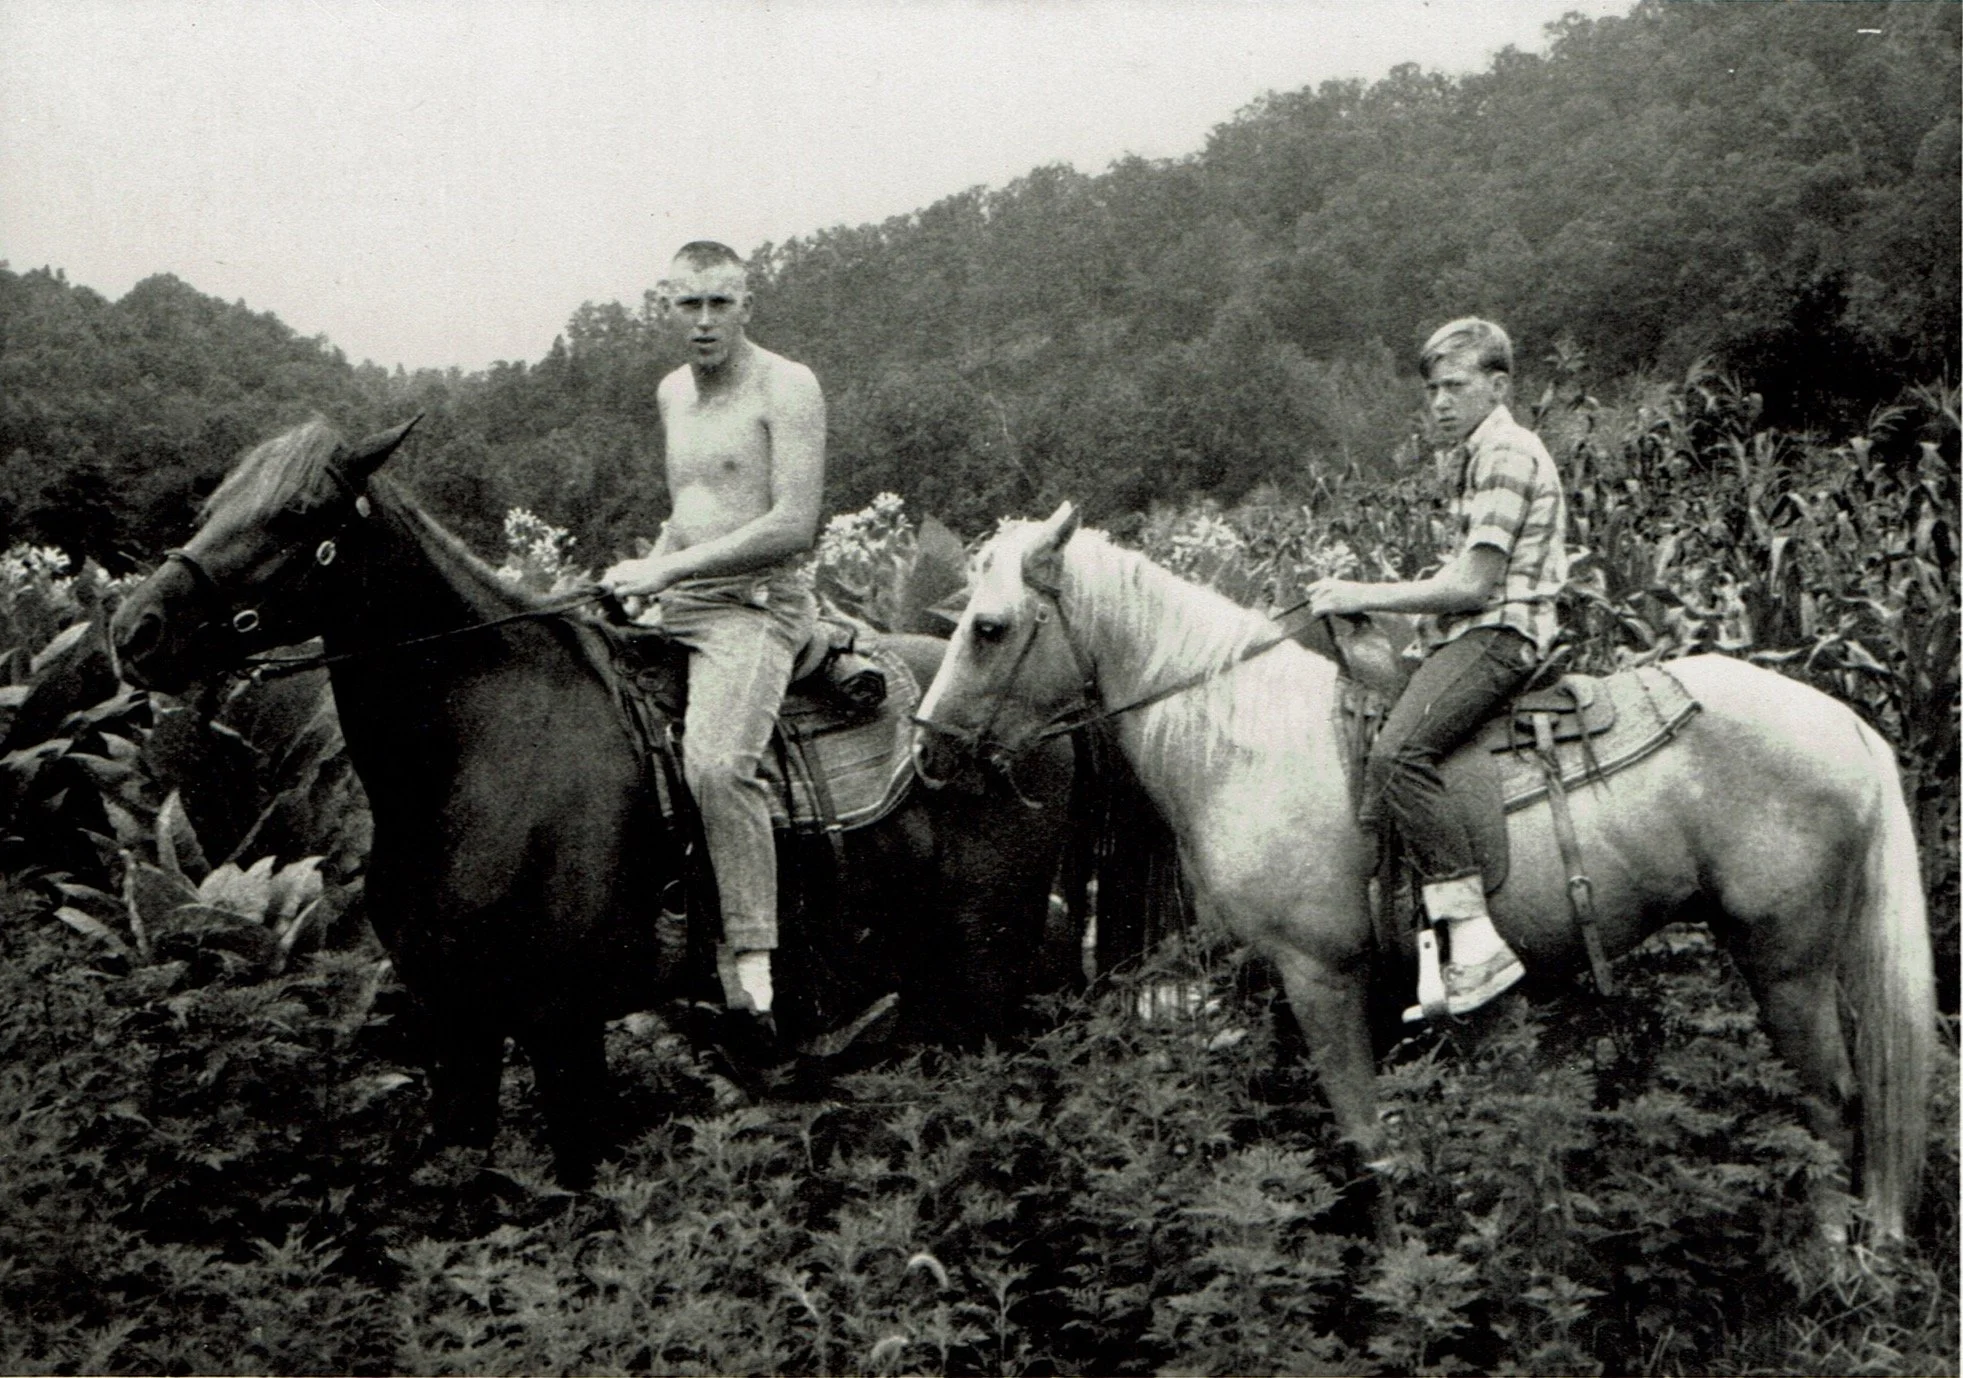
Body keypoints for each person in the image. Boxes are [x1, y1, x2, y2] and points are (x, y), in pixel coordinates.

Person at [1306, 317, 1568, 1020]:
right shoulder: (1473, 456)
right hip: (1471, 633)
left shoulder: (1507, 452)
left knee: (1397, 752)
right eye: (1431, 391)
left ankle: (1474, 935)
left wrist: (1360, 593)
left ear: (1498, 384)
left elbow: (1475, 586)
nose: (1440, 404)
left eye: (1455, 386)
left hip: (1501, 636)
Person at [602, 241, 825, 1046]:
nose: (703, 322)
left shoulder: (787, 385)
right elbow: (694, 508)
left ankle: (755, 963)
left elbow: (792, 525)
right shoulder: (670, 393)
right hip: (680, 596)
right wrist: (646, 571)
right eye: (687, 304)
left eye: (719, 303)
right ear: (665, 306)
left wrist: (670, 574)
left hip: (756, 605)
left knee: (713, 764)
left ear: (746, 305)